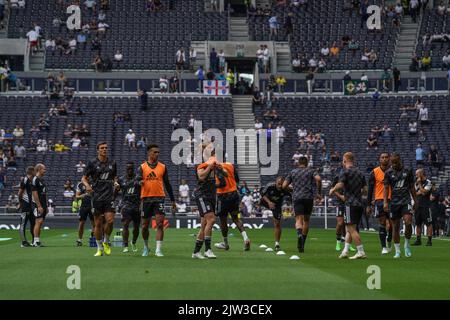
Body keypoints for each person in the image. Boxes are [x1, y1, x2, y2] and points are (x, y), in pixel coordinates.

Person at [137, 144, 176, 257]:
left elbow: (167, 184)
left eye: (158, 152)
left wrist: (173, 200)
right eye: (155, 152)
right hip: (146, 198)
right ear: (149, 153)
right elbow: (137, 179)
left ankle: (158, 250)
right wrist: (139, 182)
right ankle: (146, 247)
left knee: (159, 224)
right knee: (144, 225)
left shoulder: (163, 167)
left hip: (159, 198)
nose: (157, 154)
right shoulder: (142, 167)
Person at [82, 142, 118, 257]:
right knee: (97, 224)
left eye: (106, 148)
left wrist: (116, 182)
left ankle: (106, 241)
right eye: (102, 148)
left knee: (110, 221)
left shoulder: (113, 162)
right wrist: (87, 185)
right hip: (96, 196)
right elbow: (84, 178)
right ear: (97, 150)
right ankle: (99, 248)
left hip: (108, 196)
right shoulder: (92, 163)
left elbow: (114, 177)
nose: (104, 150)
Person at [329, 152, 367, 259]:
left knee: (351, 229)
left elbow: (340, 184)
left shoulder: (344, 172)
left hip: (350, 204)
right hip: (359, 204)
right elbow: (365, 190)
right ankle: (345, 251)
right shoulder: (360, 173)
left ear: (344, 161)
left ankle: (361, 251)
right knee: (351, 228)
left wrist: (333, 190)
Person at [191, 144, 226, 259]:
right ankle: (208, 250)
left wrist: (220, 169)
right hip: (202, 195)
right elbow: (201, 177)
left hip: (211, 196)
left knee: (204, 225)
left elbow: (224, 178)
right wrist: (210, 167)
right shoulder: (202, 164)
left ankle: (196, 252)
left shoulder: (217, 166)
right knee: (211, 219)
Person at [283, 156, 322, 253]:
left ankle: (299, 234)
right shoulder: (311, 171)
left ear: (298, 163)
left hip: (297, 198)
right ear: (307, 163)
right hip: (308, 198)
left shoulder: (293, 172)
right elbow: (319, 179)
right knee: (306, 220)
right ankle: (302, 243)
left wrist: (292, 190)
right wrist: (319, 193)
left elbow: (284, 186)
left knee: (298, 219)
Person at [383, 153, 417, 259]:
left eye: (395, 162)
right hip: (394, 202)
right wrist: (385, 202)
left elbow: (412, 186)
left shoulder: (408, 170)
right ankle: (397, 251)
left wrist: (415, 200)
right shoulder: (388, 172)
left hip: (406, 200)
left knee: (408, 222)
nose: (393, 164)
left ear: (400, 161)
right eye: (392, 163)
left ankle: (406, 244)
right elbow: (386, 188)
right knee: (396, 227)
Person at [214, 162, 251, 251]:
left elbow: (222, 183)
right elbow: (237, 179)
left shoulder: (216, 166)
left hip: (222, 196)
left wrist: (211, 185)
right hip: (234, 194)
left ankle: (225, 243)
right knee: (236, 219)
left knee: (223, 221)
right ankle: (246, 238)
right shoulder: (230, 165)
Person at [367, 152, 393, 254]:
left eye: (386, 157)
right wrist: (368, 205)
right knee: (382, 223)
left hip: (392, 200)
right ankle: (383, 247)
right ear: (379, 159)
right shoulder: (374, 172)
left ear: (389, 159)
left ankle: (389, 239)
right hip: (379, 200)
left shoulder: (393, 171)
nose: (385, 159)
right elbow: (370, 190)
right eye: (382, 157)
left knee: (391, 224)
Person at [260, 177, 291, 251]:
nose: (280, 186)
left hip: (277, 206)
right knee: (261, 201)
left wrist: (287, 213)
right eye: (278, 184)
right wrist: (269, 202)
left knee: (277, 224)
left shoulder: (287, 189)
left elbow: (289, 202)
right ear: (275, 182)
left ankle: (277, 243)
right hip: (266, 202)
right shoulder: (270, 186)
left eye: (281, 184)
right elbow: (262, 193)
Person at [117, 162, 141, 253]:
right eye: (128, 168)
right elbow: (116, 190)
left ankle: (133, 242)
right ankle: (125, 245)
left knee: (136, 228)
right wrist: (113, 198)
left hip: (136, 206)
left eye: (131, 168)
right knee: (125, 224)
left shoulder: (138, 178)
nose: (130, 170)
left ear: (133, 168)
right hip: (125, 205)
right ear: (126, 169)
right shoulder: (121, 179)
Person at [413, 169, 433, 246]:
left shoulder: (428, 182)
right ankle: (418, 240)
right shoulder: (416, 183)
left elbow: (424, 192)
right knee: (418, 223)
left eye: (417, 174)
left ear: (421, 174)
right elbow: (415, 193)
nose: (416, 176)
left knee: (428, 223)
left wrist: (420, 185)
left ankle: (429, 241)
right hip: (418, 206)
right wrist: (420, 191)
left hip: (426, 206)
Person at [18, 166, 35, 247]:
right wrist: (21, 203)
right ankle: (24, 242)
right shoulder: (24, 180)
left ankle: (34, 240)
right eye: (34, 171)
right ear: (31, 172)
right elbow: (20, 193)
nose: (35, 172)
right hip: (26, 205)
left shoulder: (33, 180)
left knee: (33, 223)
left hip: (32, 206)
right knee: (23, 223)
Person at [31, 163, 48, 247]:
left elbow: (44, 194)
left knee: (40, 223)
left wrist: (46, 205)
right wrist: (39, 206)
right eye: (44, 169)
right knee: (38, 221)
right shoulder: (35, 179)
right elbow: (34, 194)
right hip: (38, 205)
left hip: (43, 204)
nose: (45, 170)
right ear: (39, 169)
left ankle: (37, 241)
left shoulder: (42, 180)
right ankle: (35, 241)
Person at [75, 179, 94, 246]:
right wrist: (81, 196)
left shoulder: (94, 182)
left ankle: (93, 238)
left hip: (93, 205)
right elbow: (76, 196)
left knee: (94, 223)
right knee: (81, 223)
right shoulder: (80, 185)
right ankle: (79, 240)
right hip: (84, 206)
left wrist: (92, 192)